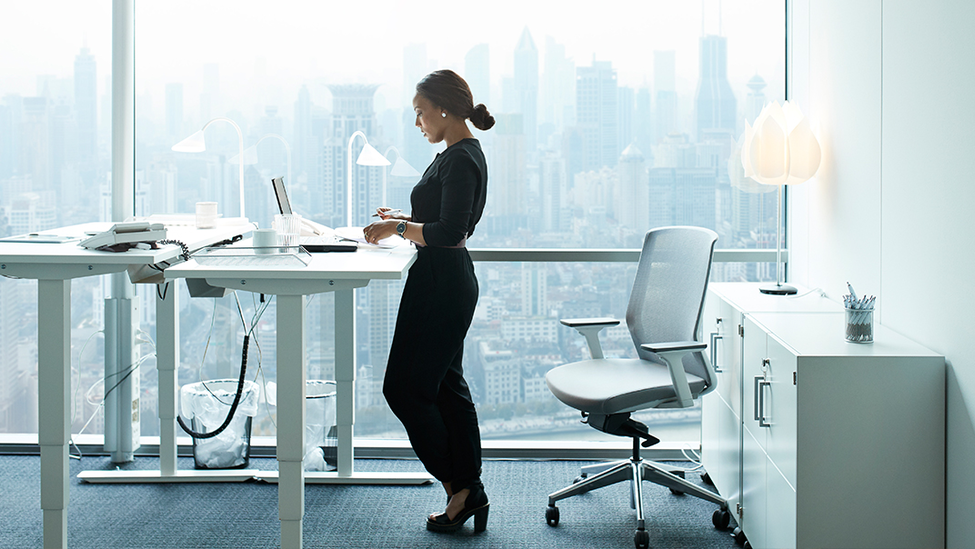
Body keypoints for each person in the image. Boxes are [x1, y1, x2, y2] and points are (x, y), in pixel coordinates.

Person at [363, 69, 495, 534]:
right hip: (438, 279)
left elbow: (450, 232)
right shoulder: (455, 155)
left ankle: (461, 487)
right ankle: (467, 487)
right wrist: (401, 218)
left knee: (404, 390)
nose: (417, 122)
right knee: (447, 388)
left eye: (420, 112)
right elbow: (438, 218)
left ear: (442, 107)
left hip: (443, 284)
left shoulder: (461, 159)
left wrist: (400, 228)